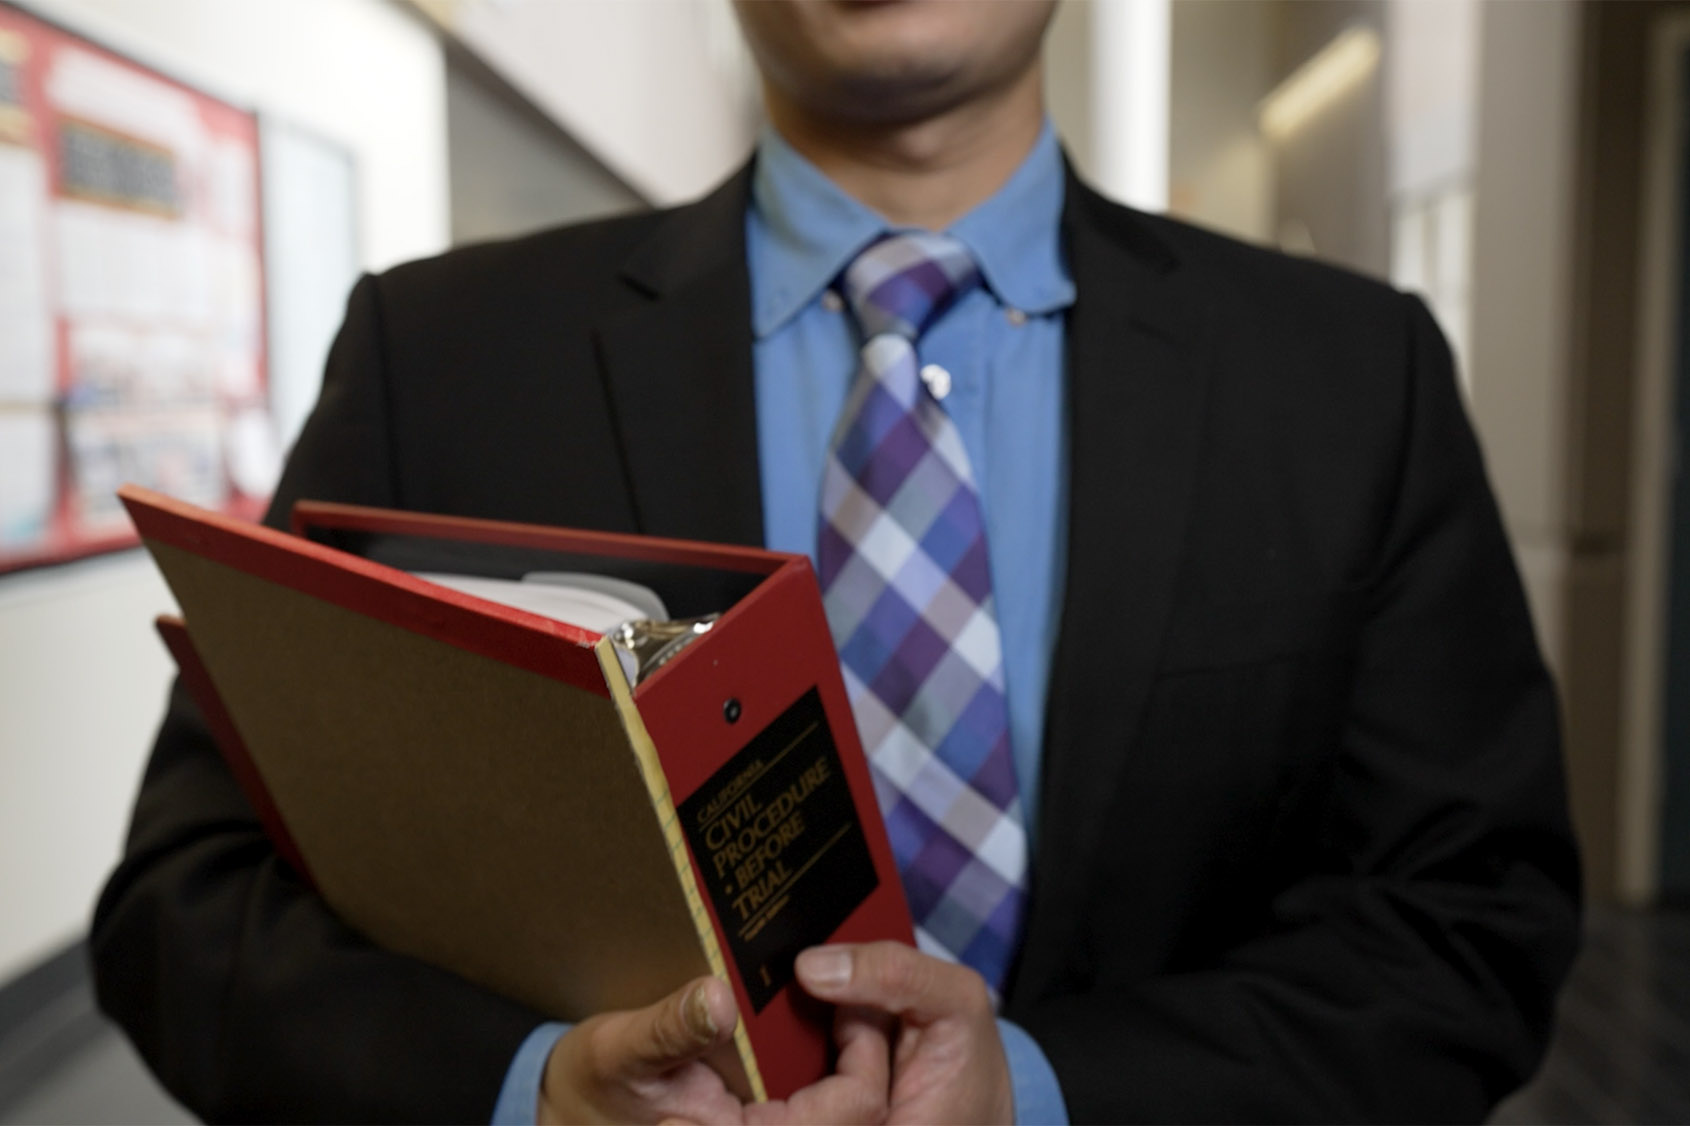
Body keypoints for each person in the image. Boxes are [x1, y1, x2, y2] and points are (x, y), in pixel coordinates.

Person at [91, 2, 1582, 1122]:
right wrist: (536, 1088)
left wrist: (1050, 1094)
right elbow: (188, 901)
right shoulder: (448, 359)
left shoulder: (1339, 376)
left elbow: (1464, 918)